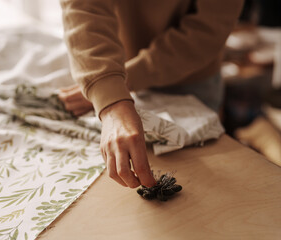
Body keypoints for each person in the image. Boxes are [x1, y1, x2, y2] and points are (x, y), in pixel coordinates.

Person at [58, 0, 244, 188]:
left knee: (205, 180)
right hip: (121, 63)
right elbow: (83, 7)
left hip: (192, 78)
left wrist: (114, 85)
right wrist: (109, 92)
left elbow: (208, 30)